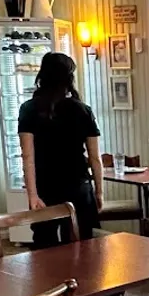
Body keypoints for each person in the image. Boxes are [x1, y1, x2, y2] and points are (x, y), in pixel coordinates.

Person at [17, 52, 102, 246]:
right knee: (82, 246)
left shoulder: (29, 109)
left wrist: (32, 195)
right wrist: (99, 191)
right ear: (69, 78)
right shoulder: (83, 110)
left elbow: (27, 157)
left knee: (45, 247)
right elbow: (95, 158)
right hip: (78, 185)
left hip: (46, 186)